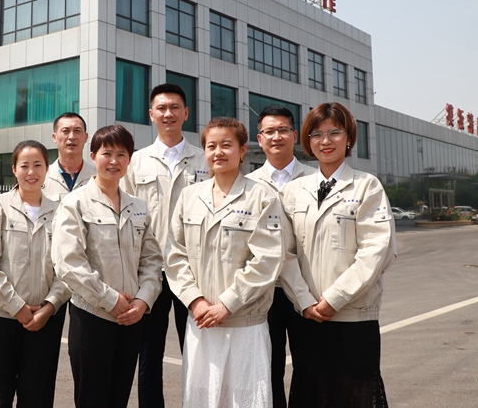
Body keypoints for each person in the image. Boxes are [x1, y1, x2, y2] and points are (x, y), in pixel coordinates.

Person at [279, 103, 396, 407]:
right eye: (316, 134)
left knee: (354, 395)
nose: (325, 141)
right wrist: (304, 301)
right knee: (311, 393)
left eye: (334, 132)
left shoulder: (367, 186)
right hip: (307, 317)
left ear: (349, 138)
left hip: (353, 317)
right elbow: (284, 253)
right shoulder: (293, 191)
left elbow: (377, 251)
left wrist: (334, 299)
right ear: (308, 141)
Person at [165, 117, 284, 407]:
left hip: (245, 325)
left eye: (226, 145)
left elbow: (266, 260)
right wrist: (195, 301)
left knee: (246, 400)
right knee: (201, 398)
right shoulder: (189, 196)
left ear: (242, 150)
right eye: (211, 146)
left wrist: (227, 304)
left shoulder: (262, 196)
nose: (218, 152)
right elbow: (175, 254)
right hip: (202, 322)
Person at [52, 125, 162, 408]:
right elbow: (68, 263)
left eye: (121, 154)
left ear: (129, 160)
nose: (114, 161)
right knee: (93, 399)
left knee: (119, 398)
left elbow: (152, 260)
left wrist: (143, 301)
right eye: (107, 153)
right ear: (93, 156)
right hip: (92, 317)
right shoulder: (75, 203)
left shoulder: (139, 206)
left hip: (131, 318)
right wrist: (111, 300)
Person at [121, 83, 209, 408]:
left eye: (174, 108)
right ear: (151, 114)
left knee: (198, 354)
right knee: (148, 357)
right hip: (150, 273)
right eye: (161, 108)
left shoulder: (205, 160)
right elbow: (125, 217)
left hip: (193, 273)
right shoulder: (135, 162)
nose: (168, 113)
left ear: (186, 113)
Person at [0, 140, 71, 408]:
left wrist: (49, 306)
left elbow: (67, 266)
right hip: (1, 319)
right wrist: (18, 308)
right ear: (14, 169)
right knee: (0, 399)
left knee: (36, 399)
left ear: (47, 169)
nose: (31, 172)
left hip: (43, 321)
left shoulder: (60, 212)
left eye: (38, 165)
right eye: (24, 165)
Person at [245, 105, 316, 408]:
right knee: (267, 369)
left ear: (294, 135)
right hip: (265, 291)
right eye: (269, 131)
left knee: (309, 366)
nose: (276, 137)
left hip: (308, 289)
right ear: (260, 139)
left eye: (283, 130)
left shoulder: (315, 178)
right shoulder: (247, 184)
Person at [43, 112, 96, 201]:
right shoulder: (42, 177)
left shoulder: (98, 176)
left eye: (77, 131)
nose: (71, 137)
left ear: (85, 137)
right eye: (65, 131)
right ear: (54, 137)